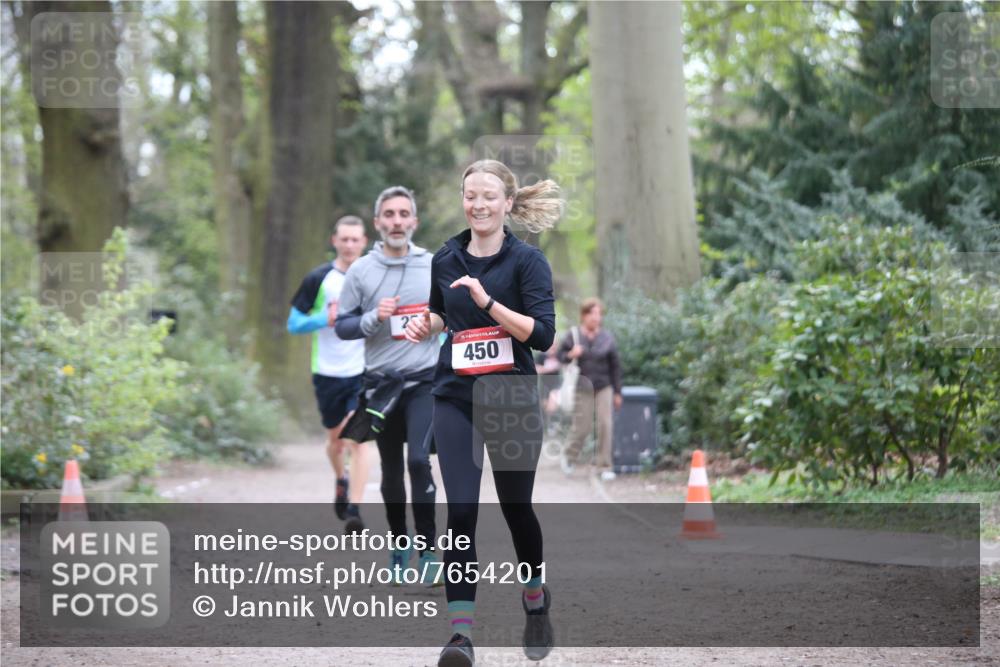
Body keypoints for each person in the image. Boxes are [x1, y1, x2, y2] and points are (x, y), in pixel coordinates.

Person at [404, 159, 561, 666]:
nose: (479, 204)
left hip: (511, 397)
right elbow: (439, 310)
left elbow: (541, 336)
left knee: (517, 509)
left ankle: (534, 595)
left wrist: (488, 302)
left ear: (508, 203)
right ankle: (461, 637)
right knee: (462, 513)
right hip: (455, 398)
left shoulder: (527, 262)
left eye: (489, 196)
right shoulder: (446, 257)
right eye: (471, 195)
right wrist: (423, 326)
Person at [334, 186, 442, 586]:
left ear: (414, 221)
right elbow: (343, 326)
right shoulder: (362, 270)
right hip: (382, 386)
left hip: (425, 382)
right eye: (389, 215)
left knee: (419, 460)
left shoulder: (433, 265)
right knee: (392, 470)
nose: (397, 222)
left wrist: (434, 321)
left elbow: (453, 314)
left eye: (404, 214)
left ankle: (429, 551)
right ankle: (400, 547)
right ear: (377, 222)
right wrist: (372, 319)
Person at [287, 216, 370, 531]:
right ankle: (341, 478)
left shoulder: (374, 276)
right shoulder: (318, 278)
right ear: (334, 241)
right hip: (327, 371)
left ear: (364, 242)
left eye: (355, 240)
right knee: (336, 443)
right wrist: (324, 317)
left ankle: (355, 509)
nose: (349, 245)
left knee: (359, 440)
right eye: (344, 239)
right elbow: (294, 324)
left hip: (363, 370)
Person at [557, 297, 623, 480]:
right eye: (592, 313)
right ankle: (569, 456)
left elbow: (615, 366)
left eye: (599, 314)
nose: (596, 318)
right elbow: (560, 357)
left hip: (604, 386)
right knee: (582, 427)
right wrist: (571, 354)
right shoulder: (574, 335)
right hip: (582, 386)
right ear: (583, 315)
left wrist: (618, 392)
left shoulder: (607, 337)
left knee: (605, 425)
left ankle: (604, 466)